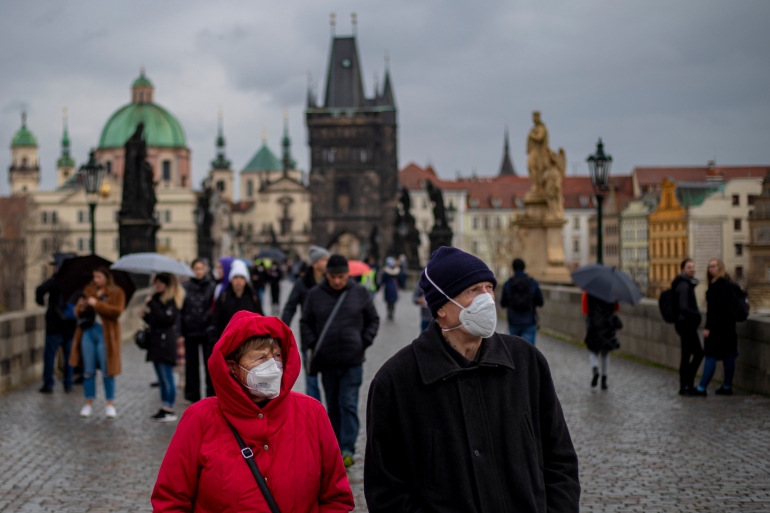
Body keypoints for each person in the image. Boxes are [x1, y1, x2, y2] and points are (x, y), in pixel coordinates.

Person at [364, 247, 580, 512]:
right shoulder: (395, 382)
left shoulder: (526, 362)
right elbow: (386, 490)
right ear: (441, 307)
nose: (487, 299)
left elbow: (560, 460)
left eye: (489, 288)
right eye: (473, 290)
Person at [151, 311, 355, 512]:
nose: (273, 367)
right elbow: (171, 501)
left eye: (277, 356)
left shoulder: (312, 413)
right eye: (260, 358)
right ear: (232, 366)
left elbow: (336, 498)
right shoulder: (199, 419)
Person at [300, 254, 380, 468]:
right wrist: (312, 344)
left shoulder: (360, 293)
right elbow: (305, 322)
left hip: (352, 359)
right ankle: (334, 445)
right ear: (327, 275)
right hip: (326, 361)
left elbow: (373, 319)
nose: (337, 281)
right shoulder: (315, 295)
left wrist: (363, 342)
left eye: (342, 277)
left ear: (348, 275)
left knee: (348, 403)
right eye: (334, 276)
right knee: (333, 405)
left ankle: (347, 448)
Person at [69, 267, 126, 419]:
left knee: (108, 370)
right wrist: (81, 306)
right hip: (88, 332)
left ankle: (110, 403)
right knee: (88, 370)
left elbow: (117, 312)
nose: (96, 280)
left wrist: (98, 304)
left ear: (107, 278)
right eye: (94, 277)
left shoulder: (117, 292)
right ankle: (88, 402)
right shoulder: (88, 290)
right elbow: (78, 313)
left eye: (99, 277)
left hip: (105, 334)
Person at [280, 245, 329, 401]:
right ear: (315, 263)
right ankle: (315, 413)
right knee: (312, 379)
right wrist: (282, 329)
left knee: (330, 381)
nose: (328, 262)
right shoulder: (302, 283)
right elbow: (290, 307)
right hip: (309, 335)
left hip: (329, 335)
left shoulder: (332, 281)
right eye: (324, 259)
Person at [142, 273, 185, 422]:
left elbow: (166, 319)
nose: (158, 285)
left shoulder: (171, 301)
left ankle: (170, 408)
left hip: (166, 342)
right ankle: (164, 406)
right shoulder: (156, 298)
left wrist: (151, 304)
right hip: (155, 342)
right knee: (161, 378)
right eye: (156, 283)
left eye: (161, 283)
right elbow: (154, 320)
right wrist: (144, 316)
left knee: (167, 377)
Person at [693, 259, 739, 396]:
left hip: (717, 328)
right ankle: (726, 387)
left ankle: (702, 388)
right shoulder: (729, 283)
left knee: (710, 356)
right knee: (729, 356)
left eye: (714, 266)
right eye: (709, 266)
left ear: (720, 268)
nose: (710, 269)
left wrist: (708, 328)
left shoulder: (716, 286)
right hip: (730, 327)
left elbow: (714, 311)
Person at [36, 253, 77, 394]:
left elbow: (40, 290)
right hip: (70, 326)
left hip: (54, 325)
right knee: (68, 357)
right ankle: (68, 383)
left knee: (50, 356)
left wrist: (41, 302)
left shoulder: (56, 280)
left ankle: (48, 383)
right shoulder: (75, 283)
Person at [180, 258, 216, 402]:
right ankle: (192, 395)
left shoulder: (212, 286)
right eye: (196, 269)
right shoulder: (185, 287)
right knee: (191, 365)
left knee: (209, 365)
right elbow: (181, 309)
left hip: (206, 330)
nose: (199, 271)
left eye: (201, 268)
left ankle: (210, 394)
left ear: (205, 269)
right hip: (190, 329)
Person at [211, 260, 263, 343]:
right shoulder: (223, 296)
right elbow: (217, 319)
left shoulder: (253, 296)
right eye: (236, 277)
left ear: (246, 280)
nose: (238, 281)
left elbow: (260, 316)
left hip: (248, 340)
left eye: (242, 277)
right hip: (228, 339)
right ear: (231, 279)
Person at [672, 258, 703, 396]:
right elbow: (684, 307)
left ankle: (685, 385)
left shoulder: (685, 283)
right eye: (689, 267)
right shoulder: (684, 285)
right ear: (683, 269)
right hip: (686, 324)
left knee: (687, 355)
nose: (692, 269)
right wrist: (697, 314)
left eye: (693, 267)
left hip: (683, 324)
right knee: (698, 354)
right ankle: (686, 384)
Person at [500, 258, 544, 345]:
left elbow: (502, 303)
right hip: (529, 321)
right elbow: (541, 302)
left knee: (514, 350)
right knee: (529, 351)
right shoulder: (532, 283)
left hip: (513, 321)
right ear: (524, 268)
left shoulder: (508, 283)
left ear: (513, 268)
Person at [582, 291, 620, 390]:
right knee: (605, 352)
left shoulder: (588, 291)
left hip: (594, 324)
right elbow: (616, 308)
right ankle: (604, 380)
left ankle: (595, 369)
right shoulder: (611, 291)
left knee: (593, 349)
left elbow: (585, 309)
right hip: (607, 324)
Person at [379, 256, 401, 321]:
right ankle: (392, 313)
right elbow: (400, 279)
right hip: (394, 287)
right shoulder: (396, 271)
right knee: (393, 302)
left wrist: (379, 287)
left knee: (388, 302)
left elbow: (382, 280)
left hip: (388, 288)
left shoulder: (385, 272)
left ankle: (389, 313)